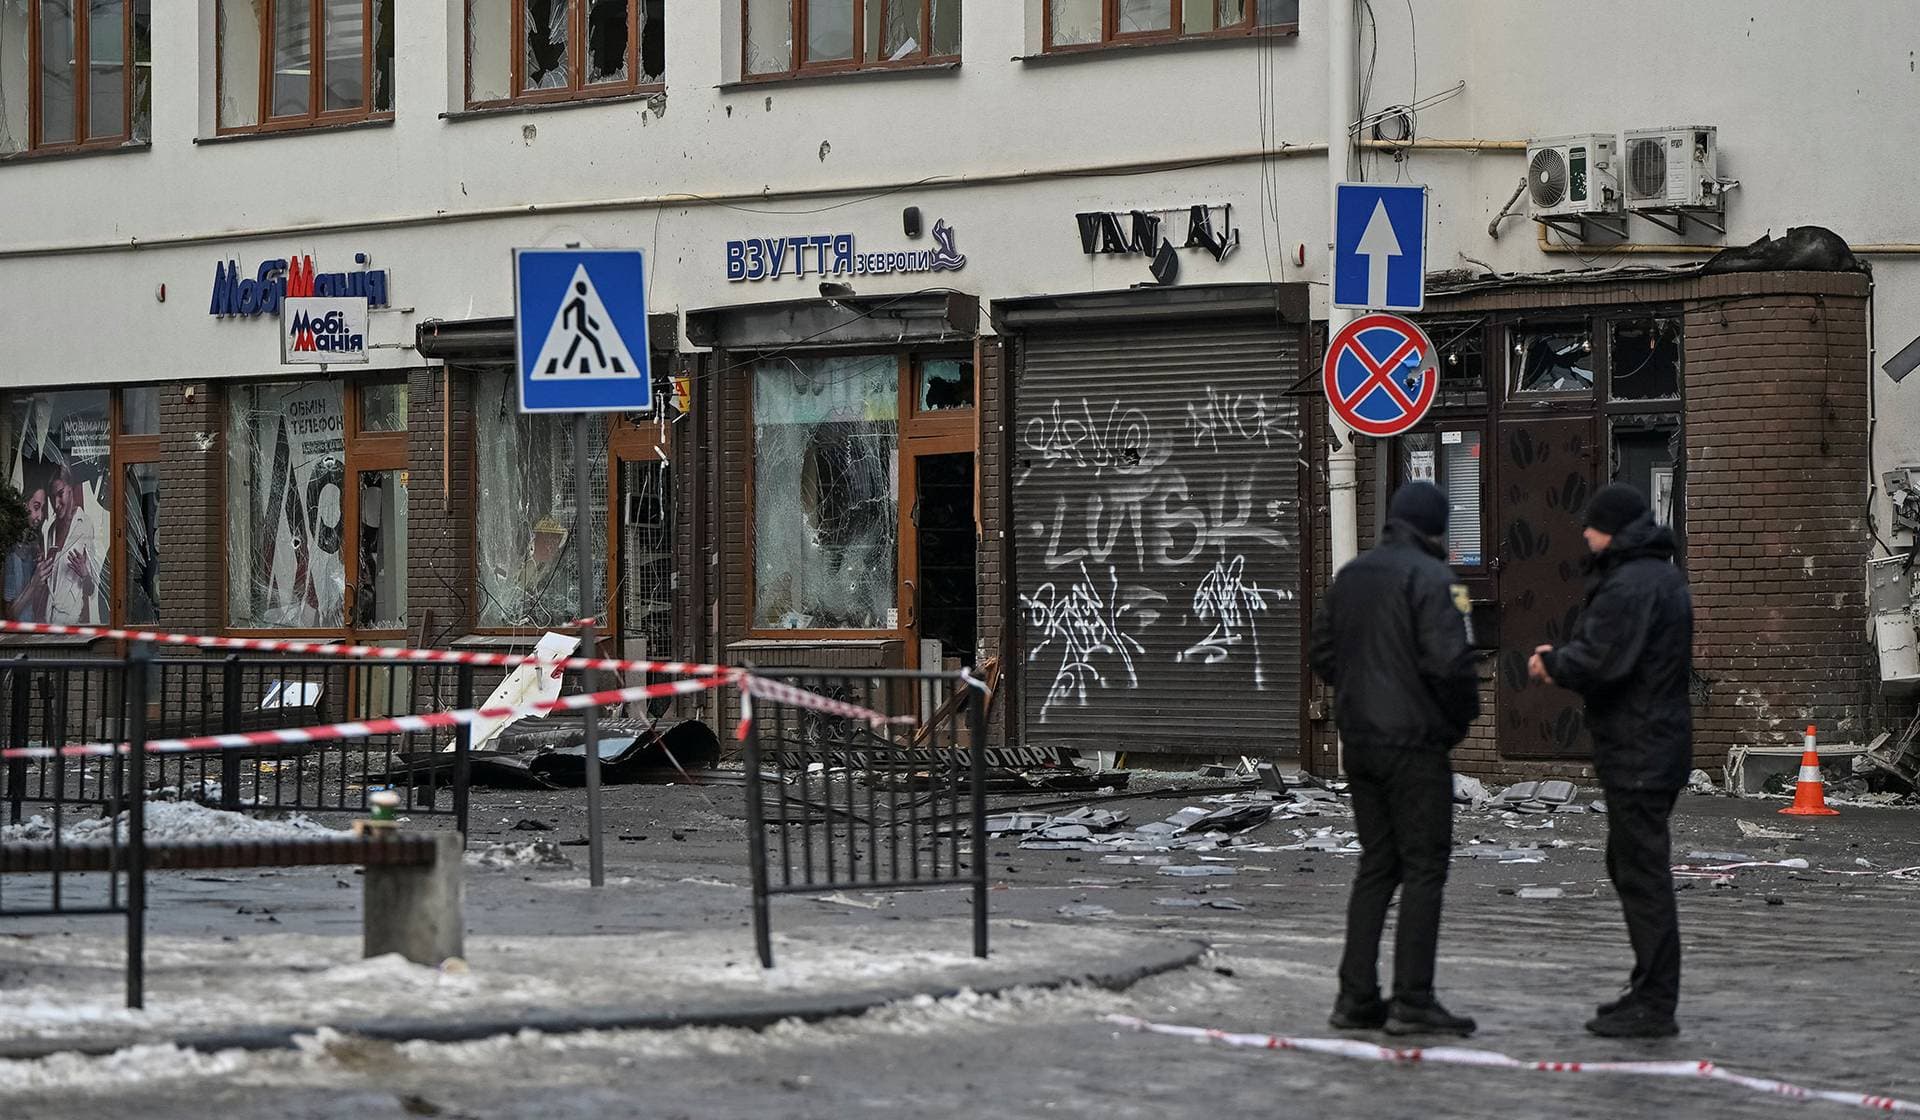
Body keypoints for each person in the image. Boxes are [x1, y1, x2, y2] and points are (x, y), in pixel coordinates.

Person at [1311, 481, 1481, 1037]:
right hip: (1415, 743)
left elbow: (1323, 654)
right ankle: (1413, 998)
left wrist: (1360, 694)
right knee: (1425, 866)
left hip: (1359, 741)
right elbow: (1452, 664)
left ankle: (1355, 997)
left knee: (1377, 865)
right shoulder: (1437, 579)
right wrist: (1453, 723)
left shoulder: (1351, 576)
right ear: (1435, 527)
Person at [1529, 482, 1693, 1039]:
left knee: (1641, 871)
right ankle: (1648, 987)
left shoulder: (1629, 585)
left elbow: (1601, 659)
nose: (1584, 534)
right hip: (1654, 742)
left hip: (1640, 747)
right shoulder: (1663, 576)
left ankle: (1655, 1001)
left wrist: (1554, 662)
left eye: (1591, 525)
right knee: (1629, 866)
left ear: (1613, 530)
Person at [41, 469, 100, 626]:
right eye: (52, 498)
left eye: (60, 495)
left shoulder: (85, 525)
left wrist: (84, 574)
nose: (56, 504)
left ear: (71, 489)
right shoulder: (50, 529)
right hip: (48, 621)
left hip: (71, 622)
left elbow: (91, 589)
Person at [3, 487, 48, 622]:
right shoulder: (10, 552)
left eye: (42, 509)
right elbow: (9, 615)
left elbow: (37, 607)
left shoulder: (35, 546)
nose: (40, 516)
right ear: (23, 506)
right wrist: (34, 583)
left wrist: (41, 579)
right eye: (36, 507)